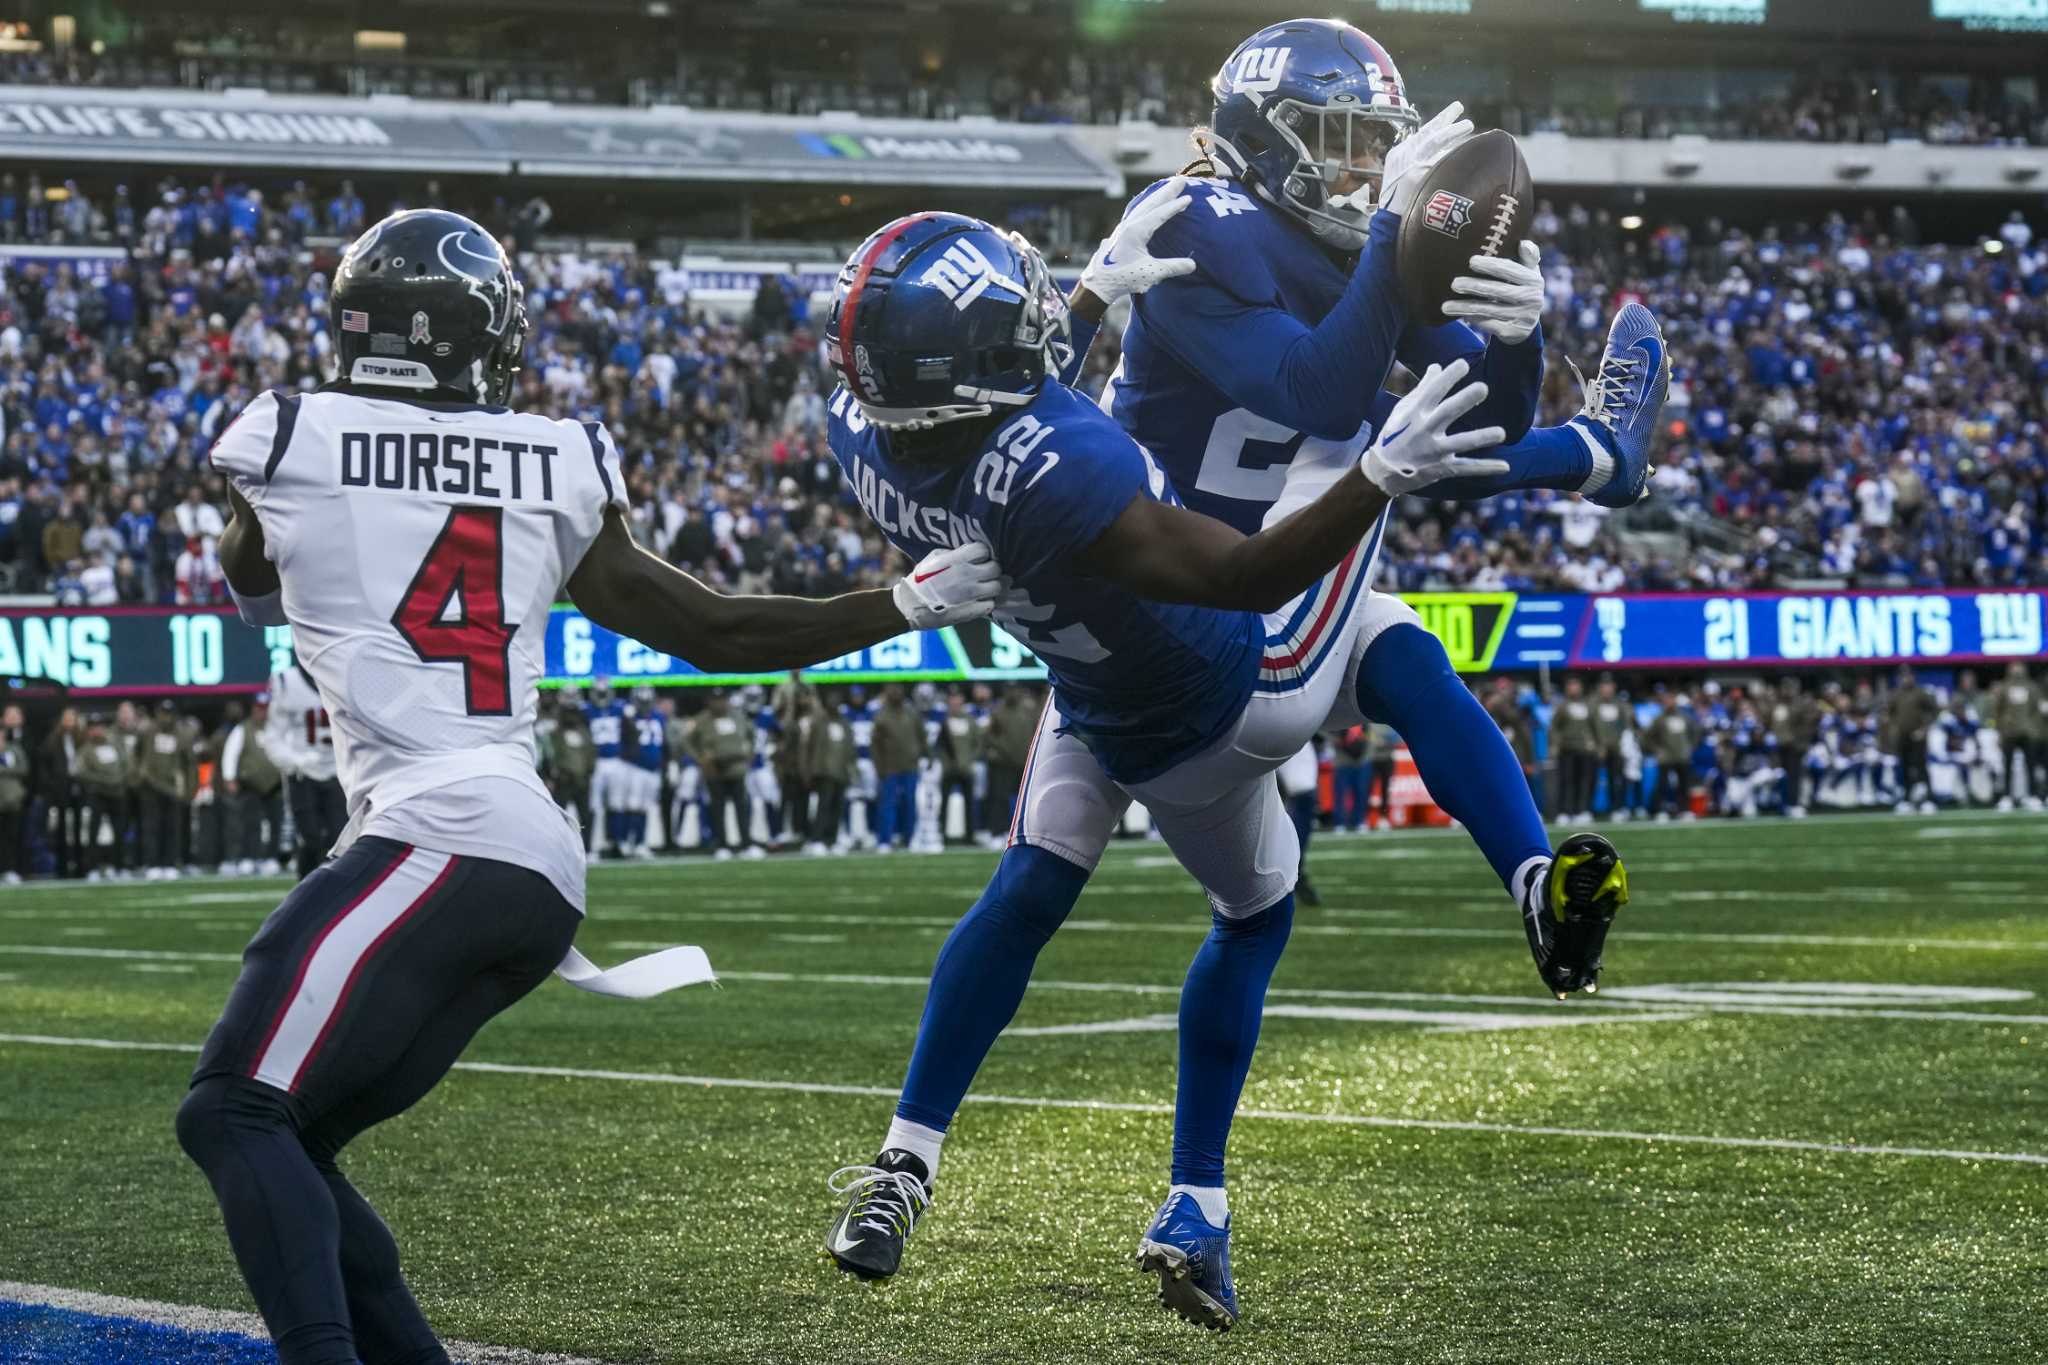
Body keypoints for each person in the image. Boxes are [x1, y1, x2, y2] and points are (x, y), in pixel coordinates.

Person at [174, 207, 1000, 1365]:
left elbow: (247, 577)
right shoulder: (554, 452)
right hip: (525, 860)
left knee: (231, 1110)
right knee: (288, 1139)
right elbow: (708, 624)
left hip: (437, 831)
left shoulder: (289, 432)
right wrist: (903, 602)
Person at [815, 211, 1624, 1327]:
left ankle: (901, 1169)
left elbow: (1002, 403)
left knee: (1031, 891)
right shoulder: (1068, 465)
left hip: (1089, 695)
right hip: (1225, 679)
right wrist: (1388, 464)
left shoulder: (860, 432)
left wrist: (1096, 304)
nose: (1045, 321)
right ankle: (1594, 466)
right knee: (1360, 478)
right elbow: (1250, 569)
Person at [266, 660, 345, 879]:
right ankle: (306, 889)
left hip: (338, 771)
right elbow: (273, 736)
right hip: (303, 774)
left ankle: (333, 891)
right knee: (310, 837)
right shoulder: (287, 682)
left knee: (340, 838)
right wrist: (295, 760)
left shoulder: (343, 674)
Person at [222, 693, 287, 874]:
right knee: (250, 823)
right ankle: (248, 857)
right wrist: (229, 777)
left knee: (275, 823)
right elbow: (231, 753)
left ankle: (271, 858)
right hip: (250, 783)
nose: (262, 712)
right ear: (253, 709)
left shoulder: (277, 729)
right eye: (259, 708)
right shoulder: (243, 729)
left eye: (265, 708)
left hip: (275, 783)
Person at [690, 691, 755, 859]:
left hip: (736, 767)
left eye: (722, 700)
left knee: (742, 807)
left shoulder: (737, 716)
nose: (719, 704)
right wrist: (700, 759)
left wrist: (750, 753)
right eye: (716, 700)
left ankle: (746, 843)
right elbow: (687, 741)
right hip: (715, 769)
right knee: (717, 809)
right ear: (709, 702)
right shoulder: (702, 719)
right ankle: (722, 844)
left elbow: (752, 734)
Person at [137, 699, 196, 877]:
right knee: (152, 827)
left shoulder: (182, 735)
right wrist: (140, 775)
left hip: (173, 788)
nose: (166, 717)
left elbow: (190, 763)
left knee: (173, 828)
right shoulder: (147, 732)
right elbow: (136, 755)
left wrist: (190, 789)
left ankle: (170, 863)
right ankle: (152, 863)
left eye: (168, 713)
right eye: (163, 712)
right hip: (151, 786)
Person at [74, 714, 130, 880]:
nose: (97, 730)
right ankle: (92, 868)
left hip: (117, 793)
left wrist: (119, 780)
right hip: (97, 794)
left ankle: (119, 866)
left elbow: (126, 764)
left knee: (119, 831)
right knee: (93, 832)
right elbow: (82, 772)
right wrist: (106, 780)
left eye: (100, 726)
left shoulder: (115, 745)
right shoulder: (85, 749)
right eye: (93, 727)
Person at [980, 684, 1037, 843]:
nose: (1012, 693)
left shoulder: (1027, 712)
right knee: (1000, 799)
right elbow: (988, 736)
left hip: (1024, 762)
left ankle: (1026, 832)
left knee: (1027, 801)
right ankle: (998, 832)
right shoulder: (997, 712)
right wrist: (997, 751)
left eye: (1015, 690)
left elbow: (1035, 732)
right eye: (1009, 690)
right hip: (1003, 763)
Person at [869, 685, 922, 851]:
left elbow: (921, 736)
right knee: (887, 804)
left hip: (910, 765)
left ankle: (910, 838)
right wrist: (879, 767)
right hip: (889, 767)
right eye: (892, 693)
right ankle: (885, 840)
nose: (896, 695)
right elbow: (875, 745)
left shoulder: (911, 714)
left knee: (910, 803)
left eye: (898, 692)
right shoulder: (881, 716)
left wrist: (923, 755)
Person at [583, 679, 631, 858]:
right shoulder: (586, 710)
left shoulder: (620, 709)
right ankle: (592, 846)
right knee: (593, 806)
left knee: (617, 804)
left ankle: (617, 843)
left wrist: (626, 754)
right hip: (596, 762)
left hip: (615, 760)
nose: (602, 697)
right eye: (599, 693)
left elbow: (630, 733)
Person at [804, 696, 857, 854]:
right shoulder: (819, 723)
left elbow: (850, 748)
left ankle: (832, 840)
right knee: (823, 807)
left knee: (837, 808)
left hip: (841, 772)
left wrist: (852, 769)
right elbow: (810, 748)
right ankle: (817, 839)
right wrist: (810, 770)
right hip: (824, 771)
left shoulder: (844, 723)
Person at [0, 704, 28, 881]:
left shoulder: (14, 750)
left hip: (13, 799)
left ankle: (11, 869)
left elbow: (24, 768)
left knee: (13, 836)